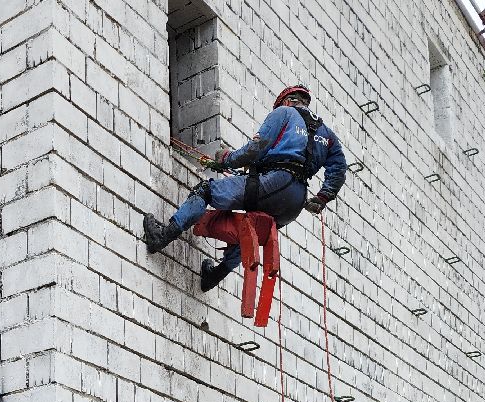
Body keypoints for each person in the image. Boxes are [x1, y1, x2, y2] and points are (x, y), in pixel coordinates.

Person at [142, 85, 348, 292]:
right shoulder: (326, 134)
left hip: (275, 182)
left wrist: (226, 159)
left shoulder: (284, 113)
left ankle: (163, 236)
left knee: (205, 190)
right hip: (295, 201)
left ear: (286, 101)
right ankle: (214, 276)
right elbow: (339, 168)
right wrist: (322, 197)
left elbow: (254, 150)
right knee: (253, 229)